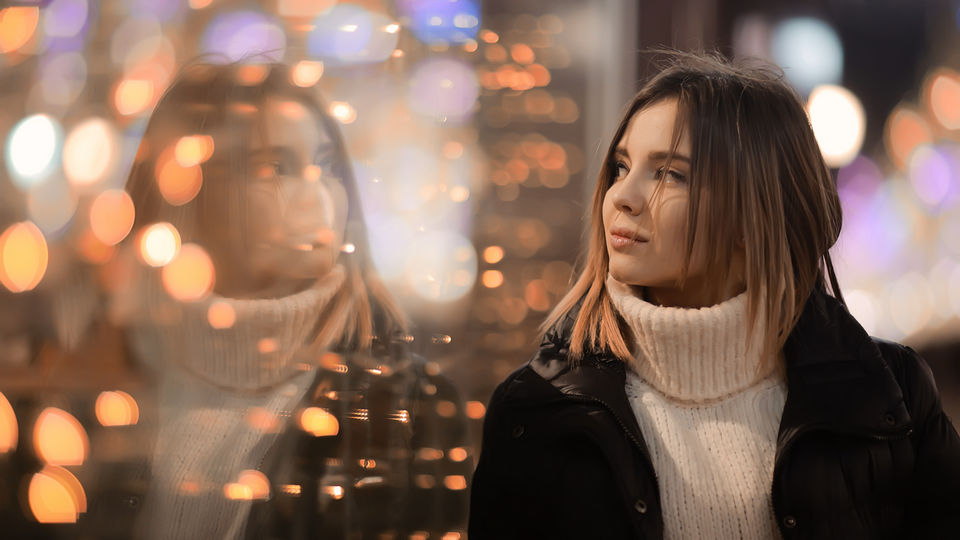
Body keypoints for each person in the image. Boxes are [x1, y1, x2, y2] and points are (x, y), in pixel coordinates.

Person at [469, 52, 960, 539]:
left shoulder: (890, 397)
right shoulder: (538, 409)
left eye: (669, 174)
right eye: (622, 166)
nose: (621, 195)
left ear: (754, 215)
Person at [98, 61, 471, 539]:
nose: (317, 196)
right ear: (191, 185)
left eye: (329, 165)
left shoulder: (407, 408)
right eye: (274, 167)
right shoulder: (109, 387)